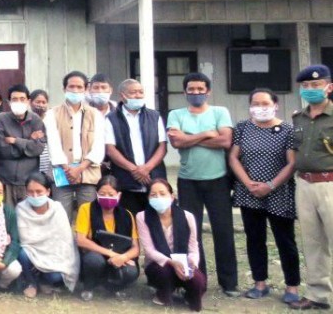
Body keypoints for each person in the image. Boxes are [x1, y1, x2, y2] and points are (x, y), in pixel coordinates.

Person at [165, 72, 238, 296]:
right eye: (191, 89)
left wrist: (190, 138)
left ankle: (229, 282)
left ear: (208, 91)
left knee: (223, 231)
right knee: (191, 233)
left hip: (218, 180)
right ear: (185, 91)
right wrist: (207, 134)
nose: (196, 93)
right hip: (188, 181)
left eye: (200, 89)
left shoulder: (220, 112)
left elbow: (225, 140)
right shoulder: (176, 114)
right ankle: (197, 279)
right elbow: (176, 142)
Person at [229, 88, 299, 302]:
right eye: (256, 104)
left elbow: (292, 163)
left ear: (275, 105)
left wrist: (270, 185)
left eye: (265, 103)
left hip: (279, 191)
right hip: (248, 191)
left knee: (285, 240)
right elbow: (234, 157)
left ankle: (292, 287)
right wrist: (248, 183)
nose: (260, 108)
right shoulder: (242, 127)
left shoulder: (288, 129)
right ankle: (260, 283)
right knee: (254, 238)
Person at [288, 65, 333, 310]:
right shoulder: (299, 118)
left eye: (316, 85)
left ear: (329, 87)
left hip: (330, 185)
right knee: (313, 242)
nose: (311, 90)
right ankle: (318, 294)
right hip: (304, 184)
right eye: (306, 86)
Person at [137, 179, 206, 311]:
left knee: (198, 282)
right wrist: (171, 262)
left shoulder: (187, 216)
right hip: (158, 264)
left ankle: (187, 295)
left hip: (183, 261)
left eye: (163, 194)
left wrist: (191, 265)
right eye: (153, 195)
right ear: (148, 198)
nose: (158, 197)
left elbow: (193, 247)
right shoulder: (143, 217)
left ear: (172, 196)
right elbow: (149, 250)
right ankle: (162, 293)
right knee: (165, 272)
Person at [45, 71, 105, 218]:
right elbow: (53, 145)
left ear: (85, 90)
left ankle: (85, 242)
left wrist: (79, 169)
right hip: (61, 173)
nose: (75, 90)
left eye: (79, 87)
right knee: (61, 217)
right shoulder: (52, 114)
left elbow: (98, 146)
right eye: (71, 87)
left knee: (88, 217)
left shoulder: (95, 114)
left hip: (88, 173)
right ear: (64, 89)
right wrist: (68, 169)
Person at [104, 79, 167, 215]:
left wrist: (146, 168)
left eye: (141, 92)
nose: (138, 95)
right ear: (123, 96)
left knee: (154, 221)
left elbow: (162, 147)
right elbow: (110, 149)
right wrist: (135, 170)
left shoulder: (154, 116)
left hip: (153, 179)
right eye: (133, 93)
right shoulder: (111, 118)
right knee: (129, 221)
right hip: (126, 181)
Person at [74, 176, 140, 301]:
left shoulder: (127, 215)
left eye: (111, 194)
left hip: (119, 256)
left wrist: (123, 257)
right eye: (102, 194)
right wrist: (110, 253)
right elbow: (81, 240)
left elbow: (136, 248)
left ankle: (114, 288)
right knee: (94, 260)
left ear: (119, 195)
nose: (107, 197)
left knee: (131, 271)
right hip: (94, 255)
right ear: (96, 194)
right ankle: (89, 287)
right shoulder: (86, 209)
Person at [17, 173, 79, 298]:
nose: (35, 196)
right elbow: (25, 240)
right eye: (31, 192)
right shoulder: (21, 208)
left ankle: (43, 281)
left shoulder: (57, 209)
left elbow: (64, 242)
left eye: (39, 192)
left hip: (55, 257)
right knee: (22, 253)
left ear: (48, 191)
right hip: (31, 254)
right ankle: (31, 283)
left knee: (55, 277)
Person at [0, 84, 46, 205]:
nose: (18, 102)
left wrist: (16, 141)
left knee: (28, 219)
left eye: (22, 99)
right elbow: (1, 149)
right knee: (8, 218)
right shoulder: (1, 119)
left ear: (28, 101)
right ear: (9, 101)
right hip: (6, 181)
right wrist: (28, 142)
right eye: (14, 99)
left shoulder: (36, 120)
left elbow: (38, 149)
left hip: (29, 181)